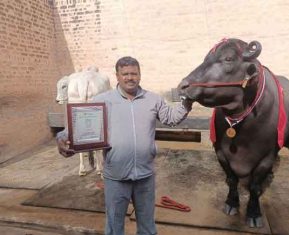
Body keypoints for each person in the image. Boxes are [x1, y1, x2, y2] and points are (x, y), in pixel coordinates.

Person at [56, 56, 193, 235]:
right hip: (116, 177)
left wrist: (188, 102)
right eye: (125, 74)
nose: (130, 77)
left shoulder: (153, 99)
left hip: (145, 175)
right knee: (114, 226)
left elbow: (171, 118)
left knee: (147, 226)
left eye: (134, 73)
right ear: (117, 76)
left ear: (140, 75)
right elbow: (81, 121)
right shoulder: (103, 100)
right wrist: (63, 136)